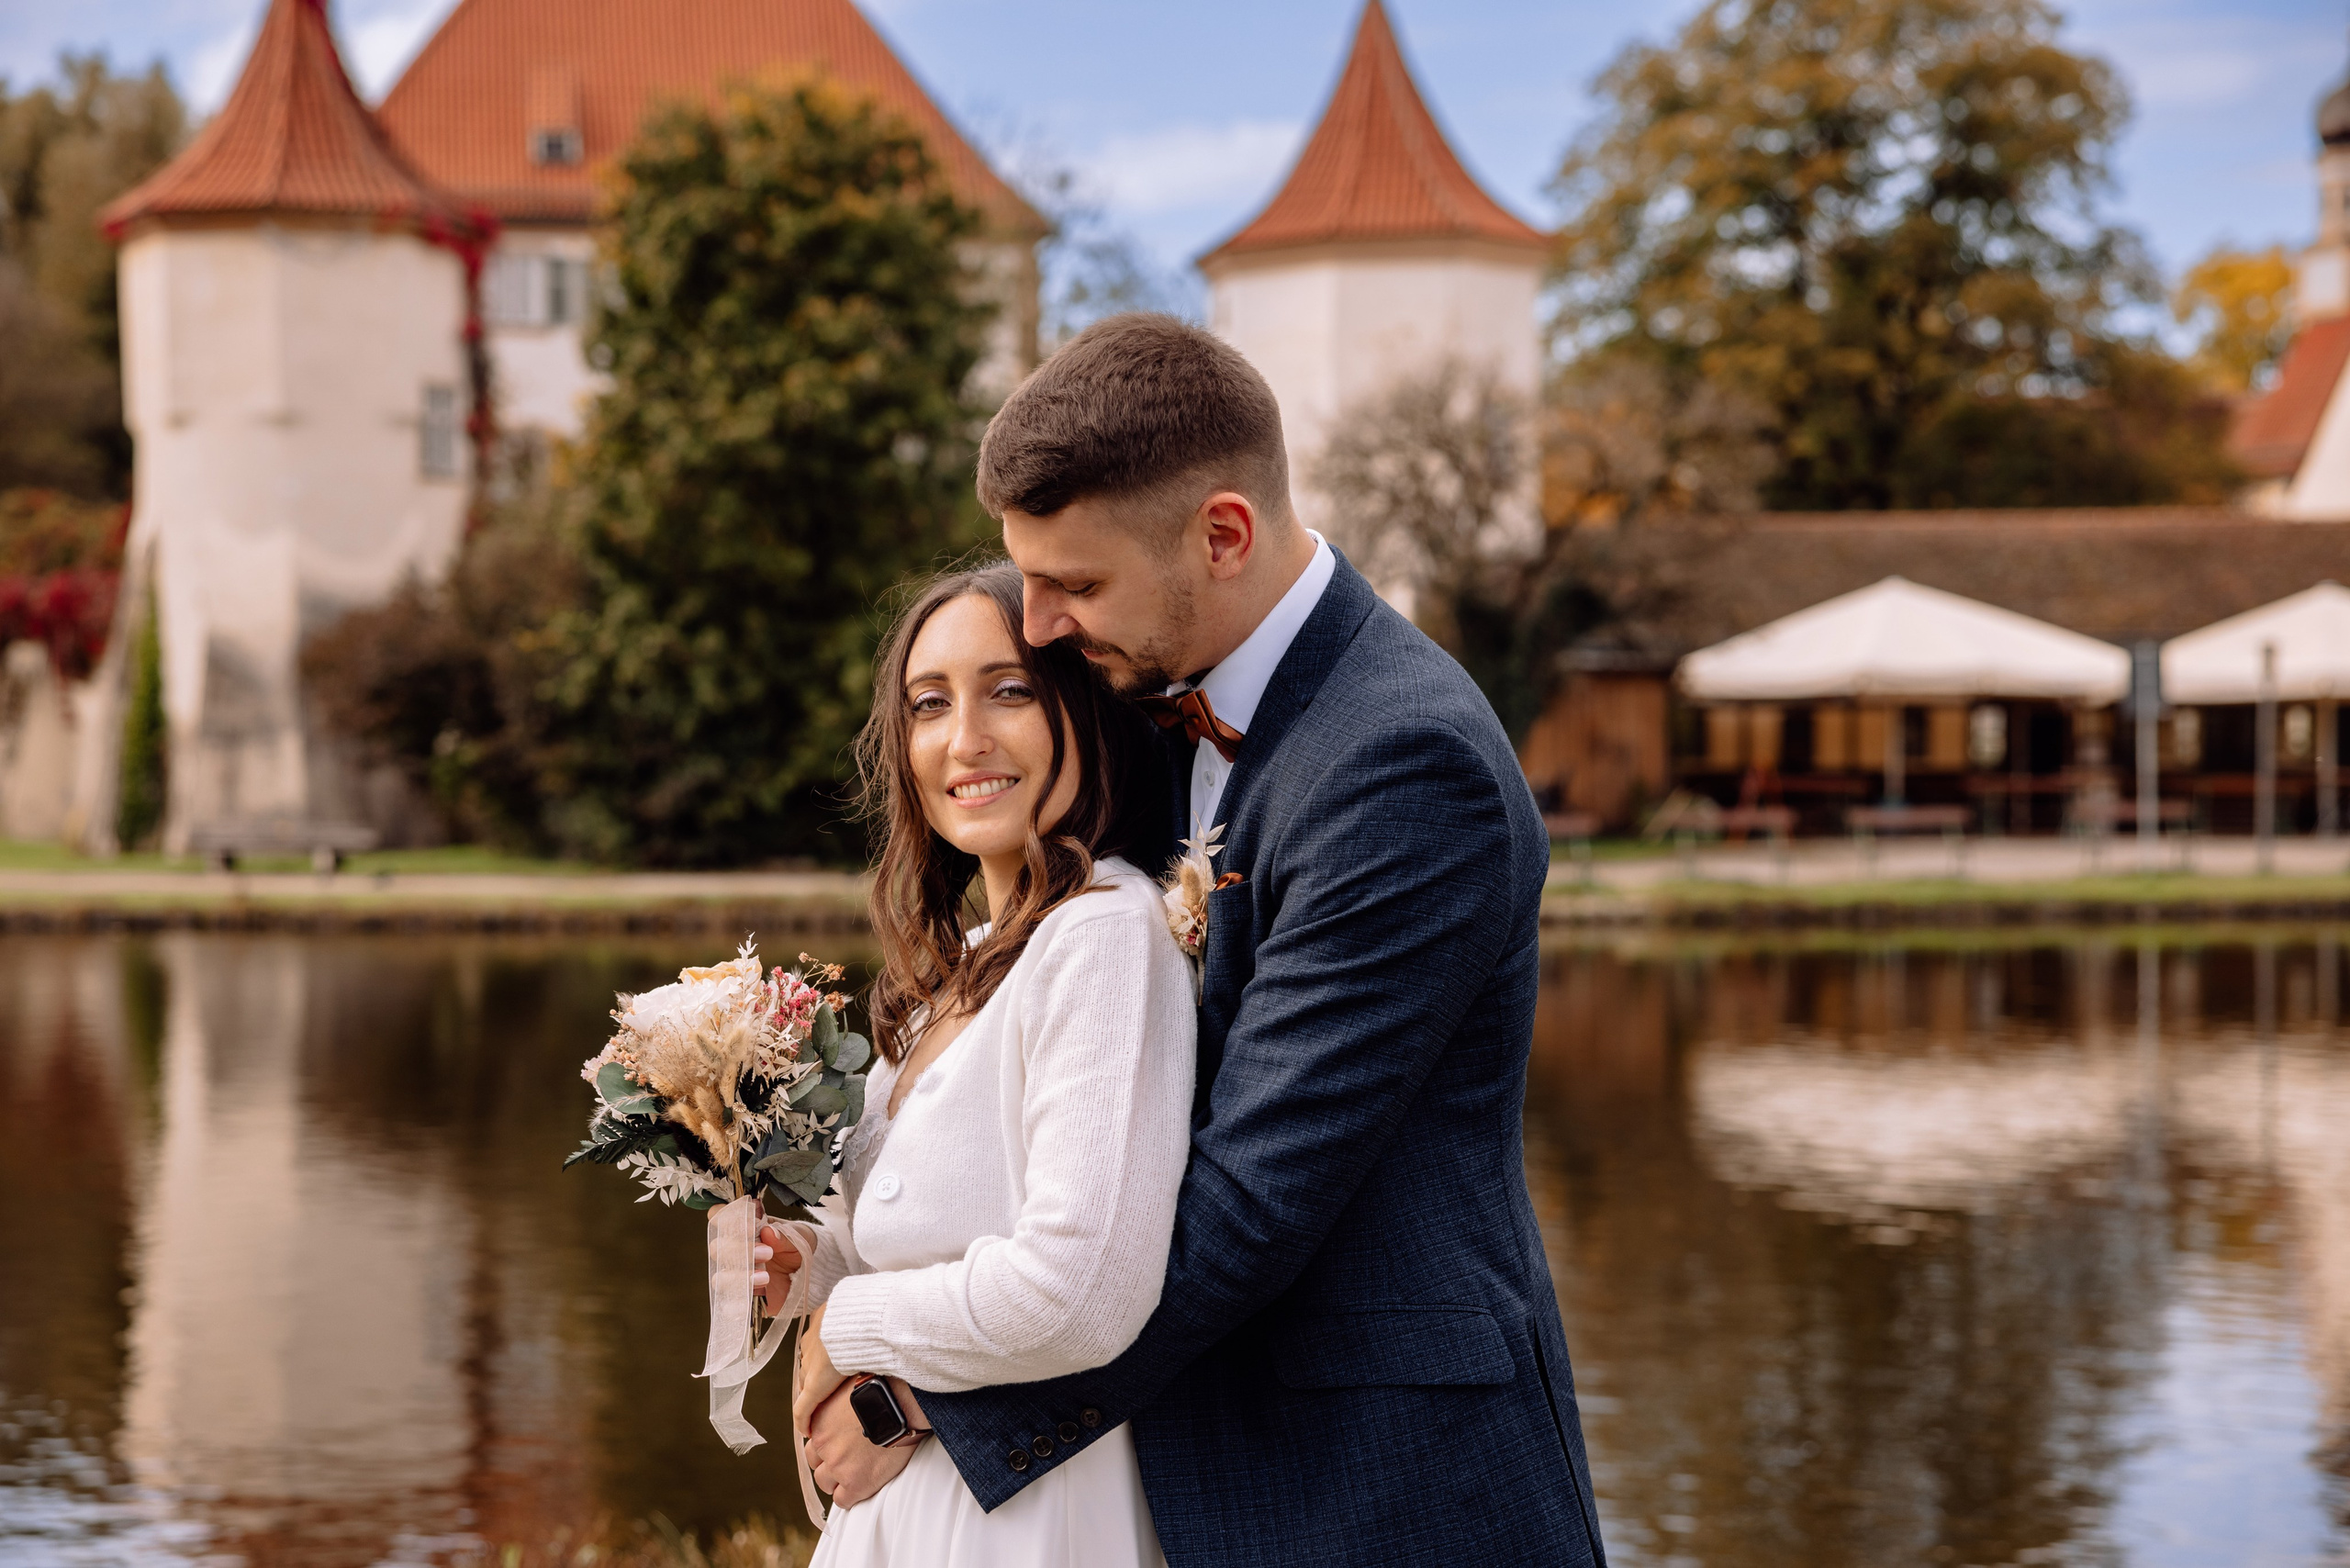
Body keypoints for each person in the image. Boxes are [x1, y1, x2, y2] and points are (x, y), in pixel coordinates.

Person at [774, 314, 1607, 1566]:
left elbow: (1246, 1205)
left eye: (1077, 584)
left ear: (1223, 535)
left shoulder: (1402, 763)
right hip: (1160, 1465)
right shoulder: (1142, 720)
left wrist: (907, 1380)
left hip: (1374, 1483)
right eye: (1029, 577)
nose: (1040, 626)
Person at [767, 563, 1192, 1566]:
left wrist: (847, 1326)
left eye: (1008, 690)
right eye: (928, 704)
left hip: (1021, 1517)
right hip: (910, 1506)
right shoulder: (950, 973)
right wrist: (800, 1267)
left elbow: (1077, 1288)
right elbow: (917, 1237)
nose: (964, 740)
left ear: (1080, 710)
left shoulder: (1104, 934)